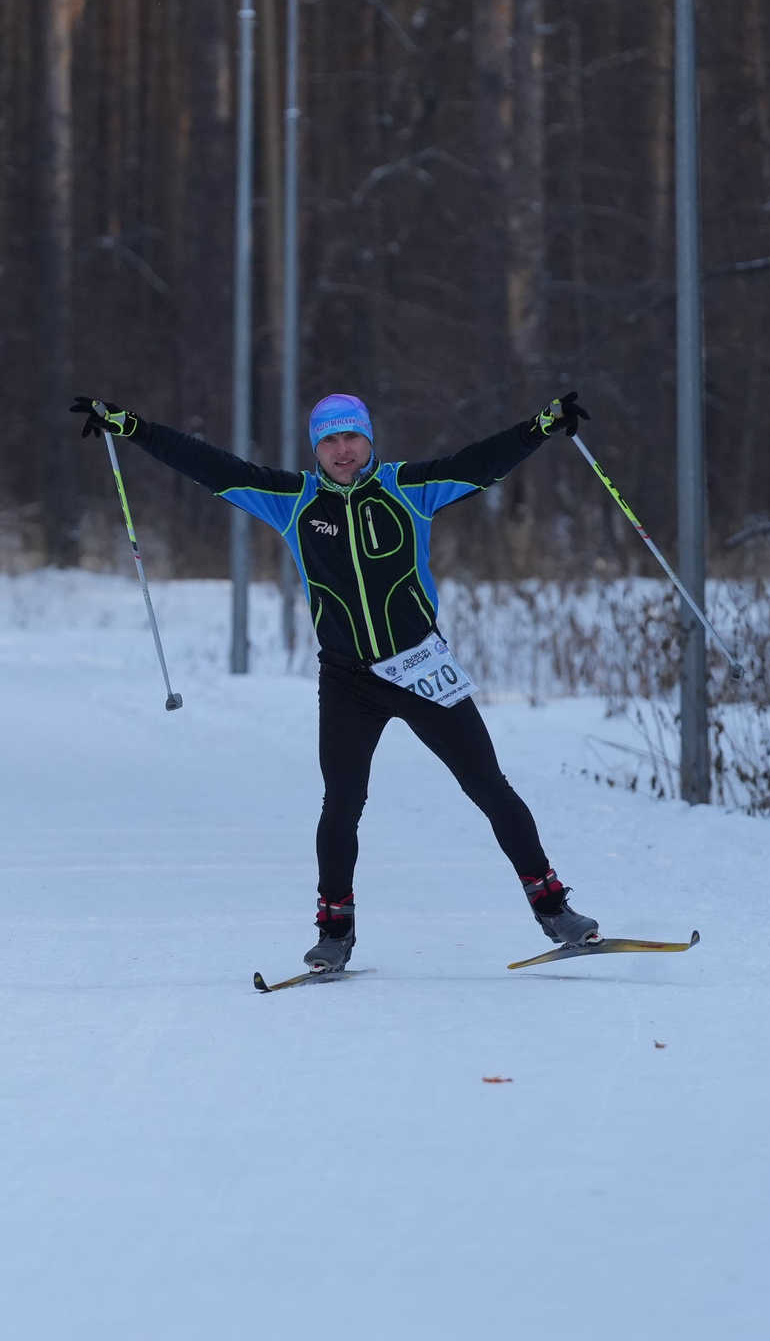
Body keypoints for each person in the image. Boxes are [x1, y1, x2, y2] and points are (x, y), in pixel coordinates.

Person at [69, 389, 604, 972]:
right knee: (342, 804)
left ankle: (554, 909)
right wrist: (133, 427)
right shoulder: (292, 501)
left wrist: (542, 426)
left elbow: (480, 463)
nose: (342, 450)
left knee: (488, 787)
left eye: (351, 438)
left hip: (422, 668)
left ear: (369, 440)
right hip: (348, 680)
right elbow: (211, 467)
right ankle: (334, 931)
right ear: (315, 449)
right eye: (329, 440)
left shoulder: (410, 489)